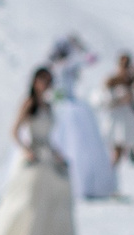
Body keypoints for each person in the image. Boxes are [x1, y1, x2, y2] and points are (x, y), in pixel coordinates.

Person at [0, 67, 77, 235]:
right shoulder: (29, 104)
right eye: (42, 81)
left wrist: (57, 155)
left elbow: (49, 137)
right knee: (29, 206)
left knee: (54, 206)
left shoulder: (49, 106)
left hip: (47, 158)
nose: (46, 85)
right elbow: (15, 131)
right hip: (34, 158)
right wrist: (26, 150)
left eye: (49, 81)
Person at [45, 36, 114, 200]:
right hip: (66, 107)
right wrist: (81, 48)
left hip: (61, 106)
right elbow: (92, 58)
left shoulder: (54, 67)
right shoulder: (67, 65)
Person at [101, 52, 134, 181]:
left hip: (133, 122)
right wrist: (119, 100)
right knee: (117, 152)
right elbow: (101, 101)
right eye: (123, 65)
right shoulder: (111, 82)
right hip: (117, 123)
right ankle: (108, 181)